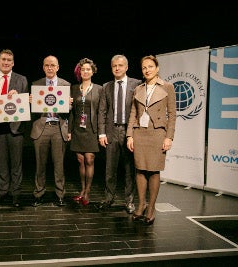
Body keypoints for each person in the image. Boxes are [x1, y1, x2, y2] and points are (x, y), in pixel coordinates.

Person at [126, 55, 176, 225]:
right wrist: (130, 135)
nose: (147, 70)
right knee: (140, 170)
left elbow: (173, 115)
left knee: (154, 171)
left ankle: (151, 208)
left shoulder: (167, 87)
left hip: (157, 134)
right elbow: (133, 113)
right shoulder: (138, 89)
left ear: (157, 68)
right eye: (144, 68)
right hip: (140, 133)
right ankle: (141, 205)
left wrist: (169, 137)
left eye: (150, 66)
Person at [97, 55, 142, 214]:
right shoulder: (106, 86)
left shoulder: (136, 84)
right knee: (110, 168)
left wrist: (135, 133)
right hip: (111, 131)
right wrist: (101, 133)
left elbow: (139, 110)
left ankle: (129, 201)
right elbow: (102, 111)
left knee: (130, 169)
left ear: (126, 67)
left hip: (129, 132)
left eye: (120, 65)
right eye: (114, 65)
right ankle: (109, 198)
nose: (117, 68)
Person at [0, 49, 28, 207]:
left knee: (16, 164)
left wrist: (18, 96)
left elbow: (25, 104)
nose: (6, 62)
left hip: (15, 128)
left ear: (13, 63)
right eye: (3, 59)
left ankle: (16, 194)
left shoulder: (22, 80)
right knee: (1, 163)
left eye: (9, 60)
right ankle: (3, 192)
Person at [30, 55, 71, 207]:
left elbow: (70, 110)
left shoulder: (65, 85)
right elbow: (32, 110)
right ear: (43, 67)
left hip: (58, 128)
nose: (49, 68)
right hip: (41, 127)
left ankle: (60, 194)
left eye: (52, 65)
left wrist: (69, 104)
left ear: (58, 67)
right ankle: (39, 193)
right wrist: (30, 102)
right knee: (40, 165)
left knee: (59, 165)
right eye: (47, 65)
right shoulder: (36, 84)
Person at [68, 58, 103, 206]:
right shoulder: (74, 88)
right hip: (77, 128)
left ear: (93, 71)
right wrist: (69, 130)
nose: (85, 72)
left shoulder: (99, 89)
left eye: (88, 69)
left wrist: (102, 132)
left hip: (91, 129)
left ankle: (88, 191)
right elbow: (70, 112)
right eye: (83, 69)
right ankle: (82, 190)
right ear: (79, 72)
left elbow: (102, 112)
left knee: (89, 159)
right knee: (80, 160)